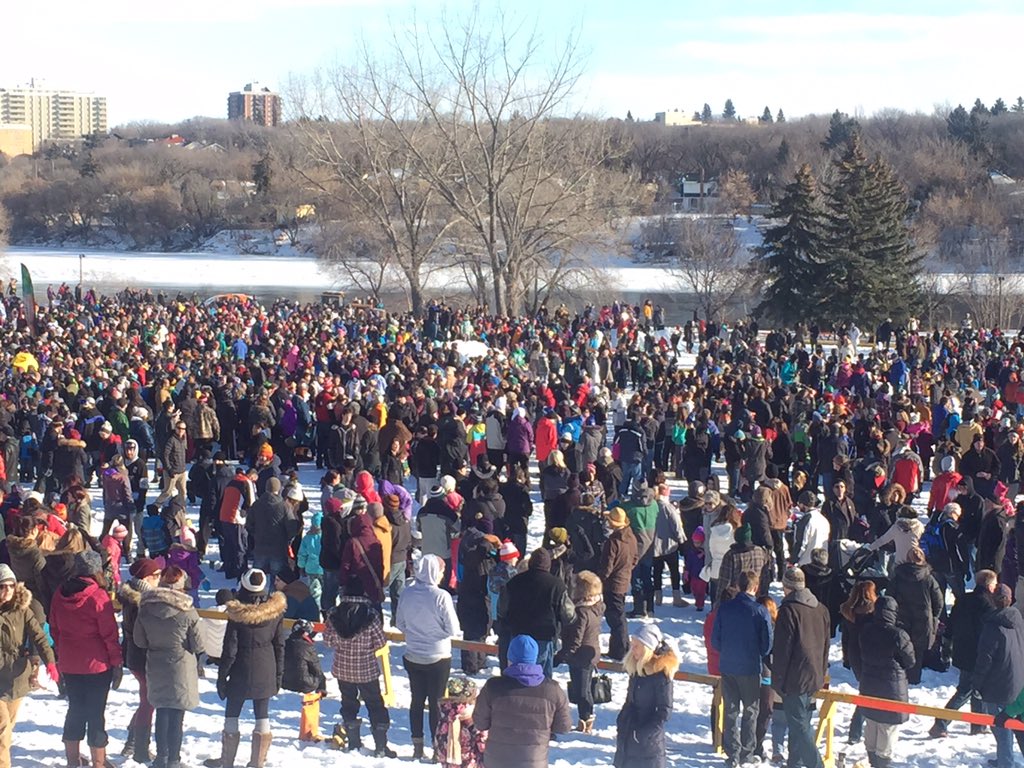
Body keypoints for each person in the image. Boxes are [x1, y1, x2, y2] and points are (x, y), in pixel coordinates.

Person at [49, 550, 123, 768]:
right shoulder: (98, 596)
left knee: (75, 710)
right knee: (96, 713)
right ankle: (98, 763)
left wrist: (62, 654)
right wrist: (116, 663)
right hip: (97, 665)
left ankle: (73, 760)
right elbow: (109, 635)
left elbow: (54, 628)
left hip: (70, 663)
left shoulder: (60, 593)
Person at [206, 569, 286, 768]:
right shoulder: (274, 612)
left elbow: (230, 649)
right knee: (262, 713)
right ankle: (257, 761)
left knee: (232, 711)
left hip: (241, 666)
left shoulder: (237, 615)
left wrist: (222, 676)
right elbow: (280, 645)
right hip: (266, 665)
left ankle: (227, 760)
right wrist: (278, 673)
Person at [134, 565, 204, 768]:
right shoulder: (188, 611)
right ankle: (173, 759)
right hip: (181, 665)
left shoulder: (146, 608)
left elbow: (139, 640)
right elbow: (198, 644)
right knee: (176, 714)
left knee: (162, 710)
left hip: (156, 663)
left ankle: (161, 757)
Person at [472, 634, 572, 768]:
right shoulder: (552, 690)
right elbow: (563, 727)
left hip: (497, 761)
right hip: (534, 761)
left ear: (510, 657)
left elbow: (480, 723)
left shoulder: (493, 687)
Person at [396, 554, 461, 761]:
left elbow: (400, 624)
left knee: (416, 700)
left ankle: (417, 745)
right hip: (438, 655)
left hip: (413, 654)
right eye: (441, 571)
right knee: (436, 703)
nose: (442, 575)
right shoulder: (441, 596)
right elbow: (453, 628)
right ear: (435, 572)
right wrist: (434, 633)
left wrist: (416, 633)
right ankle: (436, 747)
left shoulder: (407, 593)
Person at [322, 588, 396, 757]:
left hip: (342, 668)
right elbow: (380, 642)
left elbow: (327, 641)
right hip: (366, 670)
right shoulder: (370, 615)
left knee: (348, 703)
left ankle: (353, 742)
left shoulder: (334, 614)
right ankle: (381, 747)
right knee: (375, 705)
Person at [712, 570, 773, 767]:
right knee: (750, 711)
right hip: (749, 667)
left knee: (730, 710)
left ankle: (732, 753)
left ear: (738, 586)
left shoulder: (725, 608)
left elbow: (716, 639)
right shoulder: (760, 611)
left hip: (728, 665)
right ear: (755, 587)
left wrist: (727, 651)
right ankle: (747, 753)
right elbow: (767, 642)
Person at [772, 566, 830, 768]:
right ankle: (794, 763)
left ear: (786, 587)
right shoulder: (821, 609)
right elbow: (826, 646)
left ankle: (816, 765)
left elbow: (782, 651)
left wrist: (777, 681)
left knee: (799, 726)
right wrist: (822, 673)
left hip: (794, 677)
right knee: (802, 724)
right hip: (814, 674)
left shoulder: (788, 611)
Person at [929, 568, 997, 738]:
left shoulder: (963, 599)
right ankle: (941, 722)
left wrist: (947, 644)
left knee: (976, 689)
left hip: (961, 651)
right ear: (989, 586)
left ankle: (978, 724)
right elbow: (987, 633)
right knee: (966, 690)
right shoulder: (988, 605)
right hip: (976, 654)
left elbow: (951, 624)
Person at [0, 564, 55, 768]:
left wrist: (50, 661)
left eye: (10, 586)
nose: (6, 591)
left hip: (16, 677)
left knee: (8, 730)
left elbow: (39, 636)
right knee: (3, 728)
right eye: (1, 586)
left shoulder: (23, 610)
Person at [496, 548, 575, 676]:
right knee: (542, 676)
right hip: (544, 635)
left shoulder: (514, 582)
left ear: (530, 563)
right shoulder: (556, 585)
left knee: (517, 671)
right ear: (548, 565)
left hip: (518, 635)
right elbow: (569, 615)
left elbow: (501, 609)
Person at [857, 595, 915, 768]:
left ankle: (873, 760)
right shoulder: (898, 635)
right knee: (887, 728)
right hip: (892, 688)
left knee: (872, 723)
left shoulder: (866, 630)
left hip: (869, 684)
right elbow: (910, 661)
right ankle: (882, 763)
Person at [613, 623, 680, 768]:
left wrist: (644, 733)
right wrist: (622, 720)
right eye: (632, 645)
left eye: (637, 646)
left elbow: (664, 712)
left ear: (647, 647)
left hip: (648, 747)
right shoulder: (636, 670)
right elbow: (630, 701)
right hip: (628, 738)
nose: (633, 650)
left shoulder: (661, 675)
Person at [972, 584, 1024, 768]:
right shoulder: (1017, 619)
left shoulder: (992, 626)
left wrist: (976, 684)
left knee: (1002, 729)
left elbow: (984, 660)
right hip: (1018, 680)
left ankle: (1006, 763)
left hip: (998, 685)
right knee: (1019, 726)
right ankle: (1005, 759)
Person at [117, 557, 164, 763]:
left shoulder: (133, 595)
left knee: (147, 700)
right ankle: (139, 747)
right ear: (147, 577)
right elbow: (148, 634)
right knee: (149, 702)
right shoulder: (143, 601)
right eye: (157, 576)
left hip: (134, 656)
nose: (159, 579)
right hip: (143, 657)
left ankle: (133, 739)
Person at [555, 570, 604, 733]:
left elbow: (577, 639)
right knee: (582, 686)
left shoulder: (582, 612)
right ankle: (585, 717)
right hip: (590, 652)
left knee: (582, 690)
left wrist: (562, 655)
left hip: (581, 655)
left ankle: (586, 719)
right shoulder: (597, 606)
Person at [887, 546, 943, 684]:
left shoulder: (897, 577)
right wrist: (933, 617)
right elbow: (939, 602)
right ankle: (914, 679)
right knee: (917, 651)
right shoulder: (929, 579)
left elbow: (889, 597)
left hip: (901, 619)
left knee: (900, 647)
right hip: (923, 621)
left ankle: (900, 677)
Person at [840, 580, 878, 745]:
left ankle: (860, 729)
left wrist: (846, 657)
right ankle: (855, 731)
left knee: (866, 690)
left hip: (854, 654)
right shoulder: (874, 611)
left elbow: (845, 638)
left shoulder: (849, 611)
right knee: (868, 693)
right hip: (870, 654)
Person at [598, 507, 638, 661]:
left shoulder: (613, 542)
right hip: (624, 581)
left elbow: (607, 566)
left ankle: (620, 650)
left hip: (612, 584)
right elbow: (635, 558)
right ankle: (618, 649)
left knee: (616, 619)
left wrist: (600, 580)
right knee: (618, 617)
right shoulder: (631, 537)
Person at [433, 676, 486, 768]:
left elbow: (438, 741)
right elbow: (483, 744)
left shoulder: (445, 715)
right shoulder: (472, 718)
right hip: (470, 763)